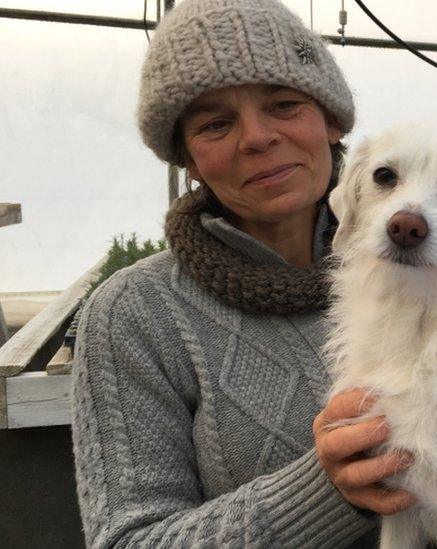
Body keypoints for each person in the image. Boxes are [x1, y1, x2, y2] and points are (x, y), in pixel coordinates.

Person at [71, 0, 413, 546]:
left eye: (283, 104)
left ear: (330, 120)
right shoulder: (137, 314)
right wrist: (326, 491)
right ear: (188, 158)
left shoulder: (422, 270)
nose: (255, 137)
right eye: (215, 123)